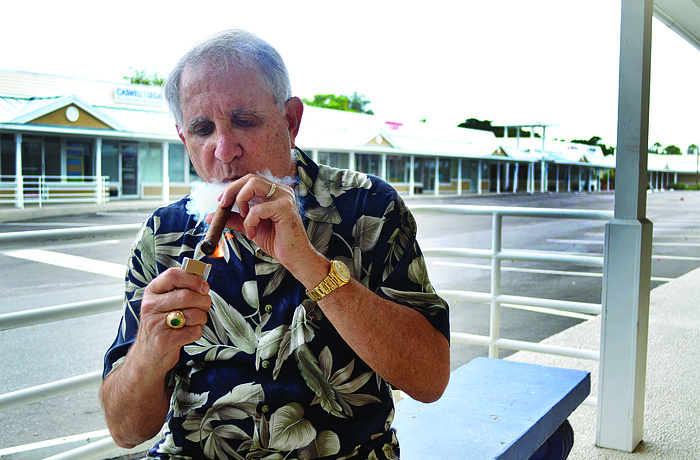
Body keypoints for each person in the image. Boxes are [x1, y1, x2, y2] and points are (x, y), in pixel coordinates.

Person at [100, 29, 450, 460]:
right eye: (202, 129)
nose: (224, 151)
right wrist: (150, 353)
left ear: (291, 121)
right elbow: (125, 430)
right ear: (183, 139)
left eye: (244, 121)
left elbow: (430, 379)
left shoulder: (368, 208)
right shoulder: (165, 234)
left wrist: (313, 269)